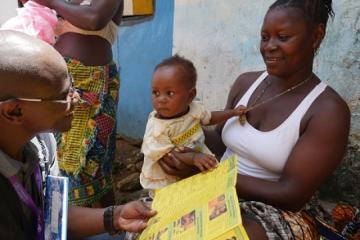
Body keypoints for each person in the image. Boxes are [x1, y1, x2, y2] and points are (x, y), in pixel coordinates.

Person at [158, 0, 352, 239]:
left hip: (277, 210)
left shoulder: (327, 111)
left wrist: (208, 177)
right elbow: (221, 144)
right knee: (148, 223)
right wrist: (183, 125)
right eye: (265, 37)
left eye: (282, 37)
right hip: (216, 190)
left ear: (316, 36)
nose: (269, 47)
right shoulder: (246, 83)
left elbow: (291, 194)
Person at [0, 30, 155, 239]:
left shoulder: (44, 143)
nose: (77, 98)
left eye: (73, 86)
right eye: (64, 95)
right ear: (14, 111)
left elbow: (54, 219)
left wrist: (115, 216)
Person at [32, 0, 124, 207]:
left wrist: (50, 2)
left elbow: (94, 19)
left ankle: (112, 224)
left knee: (95, 160)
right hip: (57, 87)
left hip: (93, 87)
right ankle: (64, 226)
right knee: (54, 157)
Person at [140, 55, 245, 191]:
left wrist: (233, 113)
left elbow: (210, 118)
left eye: (169, 93)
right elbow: (170, 157)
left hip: (196, 164)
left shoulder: (194, 109)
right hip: (168, 179)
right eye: (156, 92)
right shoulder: (156, 130)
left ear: (190, 95)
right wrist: (194, 157)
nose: (161, 99)